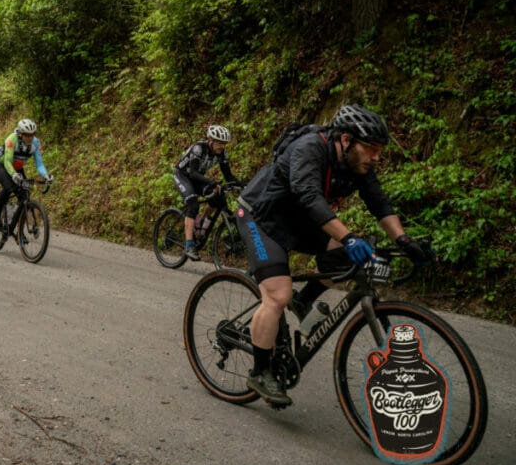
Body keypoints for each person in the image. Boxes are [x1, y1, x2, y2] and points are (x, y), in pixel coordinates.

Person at [235, 104, 434, 406]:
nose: (376, 156)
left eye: (380, 150)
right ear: (346, 140)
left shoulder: (357, 164)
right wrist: (349, 236)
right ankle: (261, 372)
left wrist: (404, 240)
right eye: (371, 149)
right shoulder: (309, 149)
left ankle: (305, 299)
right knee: (277, 296)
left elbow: (379, 202)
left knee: (345, 259)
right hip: (261, 218)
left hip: (300, 221)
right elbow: (310, 197)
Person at [172, 125, 241, 261]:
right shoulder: (199, 148)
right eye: (219, 143)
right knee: (193, 204)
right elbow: (192, 172)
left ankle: (201, 223)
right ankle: (189, 245)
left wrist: (243, 185)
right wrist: (212, 182)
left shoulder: (222, 154)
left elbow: (228, 177)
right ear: (210, 140)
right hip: (183, 175)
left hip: (197, 178)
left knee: (218, 199)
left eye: (224, 143)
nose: (222, 146)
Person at [0, 119, 53, 242]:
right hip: (2, 164)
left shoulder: (35, 143)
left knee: (24, 198)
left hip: (18, 167)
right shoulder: (11, 139)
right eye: (27, 135)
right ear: (20, 133)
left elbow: (39, 164)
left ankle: (18, 231)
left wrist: (46, 176)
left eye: (32, 134)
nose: (30, 137)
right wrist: (13, 175)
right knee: (8, 187)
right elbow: (7, 161)